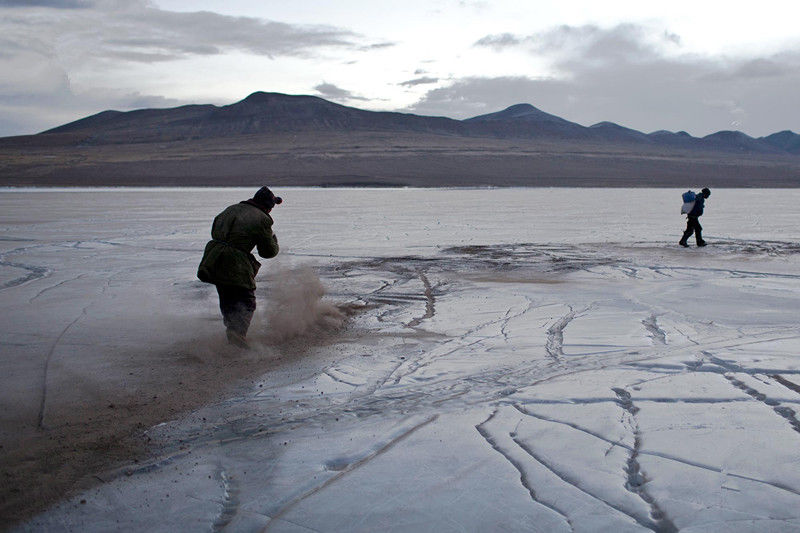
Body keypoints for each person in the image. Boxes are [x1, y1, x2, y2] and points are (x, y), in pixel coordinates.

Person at [197, 186, 281, 348]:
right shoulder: (261, 218)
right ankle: (237, 337)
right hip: (235, 262)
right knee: (246, 300)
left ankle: (232, 335)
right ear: (267, 206)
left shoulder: (231, 209)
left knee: (227, 297)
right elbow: (267, 252)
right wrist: (274, 241)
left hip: (214, 258)